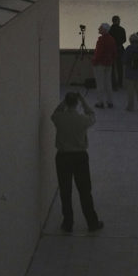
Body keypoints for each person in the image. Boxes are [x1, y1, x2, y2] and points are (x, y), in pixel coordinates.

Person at [50, 92, 104, 233]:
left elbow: (54, 113)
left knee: (65, 191)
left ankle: (68, 223)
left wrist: (64, 101)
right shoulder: (82, 120)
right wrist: (83, 100)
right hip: (80, 157)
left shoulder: (60, 118)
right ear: (77, 104)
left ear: (66, 103)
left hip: (62, 157)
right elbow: (92, 113)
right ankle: (92, 222)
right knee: (85, 191)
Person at [91, 23, 116, 108]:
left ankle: (100, 102)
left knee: (100, 83)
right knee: (108, 83)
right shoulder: (112, 39)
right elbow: (114, 52)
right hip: (108, 64)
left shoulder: (101, 40)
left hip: (100, 64)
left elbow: (99, 53)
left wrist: (94, 61)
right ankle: (110, 101)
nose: (98, 29)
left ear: (104, 30)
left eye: (100, 28)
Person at [122, 34, 138, 111]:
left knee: (130, 92)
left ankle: (130, 107)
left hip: (130, 73)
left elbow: (124, 60)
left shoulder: (128, 48)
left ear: (130, 41)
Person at [108, 15, 126, 90]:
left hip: (111, 50)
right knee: (120, 68)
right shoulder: (121, 29)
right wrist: (119, 44)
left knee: (112, 68)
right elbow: (124, 39)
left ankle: (113, 84)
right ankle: (120, 83)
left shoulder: (109, 30)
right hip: (119, 50)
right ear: (118, 21)